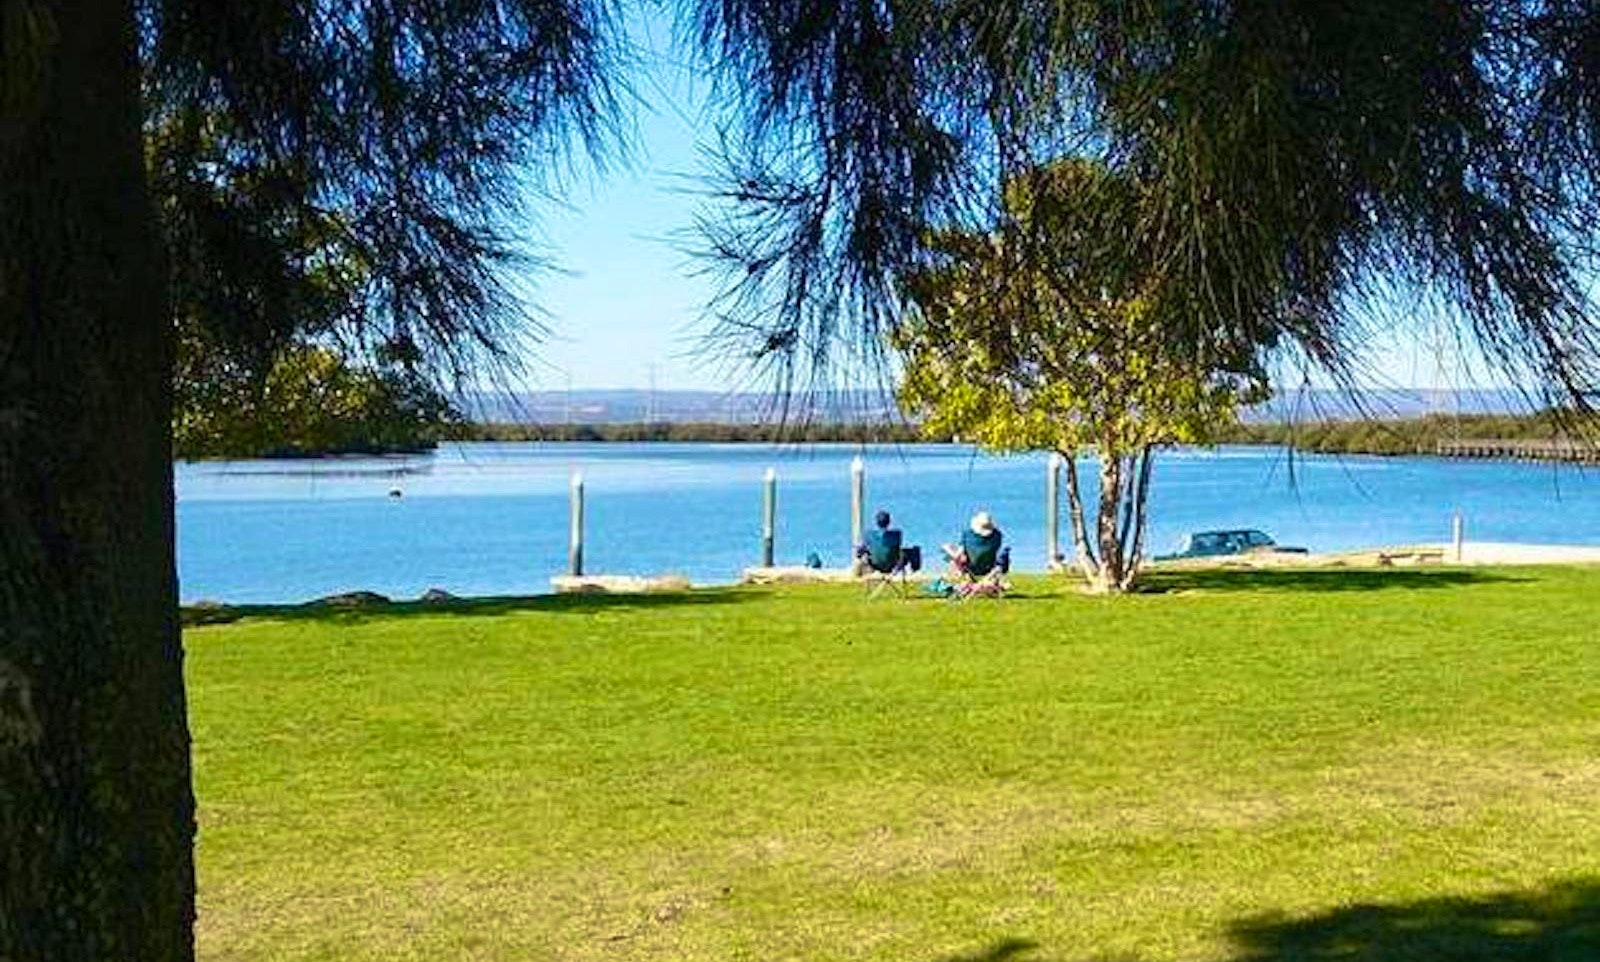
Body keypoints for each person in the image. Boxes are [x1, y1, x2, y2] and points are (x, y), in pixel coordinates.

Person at [941, 510, 1010, 579]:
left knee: (949, 551)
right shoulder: (997, 535)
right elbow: (995, 550)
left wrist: (947, 550)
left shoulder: (968, 534)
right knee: (1003, 552)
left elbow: (959, 553)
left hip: (971, 568)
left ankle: (959, 573)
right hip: (989, 568)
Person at [855, 509, 922, 574]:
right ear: (889, 522)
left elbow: (859, 553)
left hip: (875, 566)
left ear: (877, 522)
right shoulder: (896, 534)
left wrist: (862, 552)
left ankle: (860, 573)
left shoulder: (869, 535)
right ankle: (915, 572)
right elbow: (897, 548)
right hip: (893, 565)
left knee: (864, 551)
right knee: (914, 550)